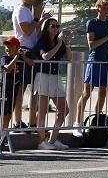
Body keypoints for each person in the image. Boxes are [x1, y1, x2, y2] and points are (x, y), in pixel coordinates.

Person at [75, 0, 108, 130]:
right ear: (97, 8)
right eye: (103, 7)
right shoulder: (91, 23)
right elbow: (92, 45)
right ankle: (78, 122)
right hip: (94, 60)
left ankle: (97, 120)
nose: (105, 10)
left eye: (107, 8)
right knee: (86, 93)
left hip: (106, 61)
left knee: (103, 93)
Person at [29, 18, 71, 149]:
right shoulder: (43, 41)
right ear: (47, 28)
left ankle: (52, 139)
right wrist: (58, 45)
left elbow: (69, 58)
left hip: (55, 76)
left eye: (57, 26)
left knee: (64, 109)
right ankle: (42, 141)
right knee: (42, 111)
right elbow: (45, 57)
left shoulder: (59, 42)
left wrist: (67, 44)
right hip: (43, 76)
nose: (55, 28)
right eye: (52, 26)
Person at [11, 0, 43, 128]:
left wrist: (42, 19)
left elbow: (34, 31)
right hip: (24, 50)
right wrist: (37, 16)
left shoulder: (28, 11)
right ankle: (17, 121)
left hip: (32, 50)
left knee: (33, 87)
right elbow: (27, 31)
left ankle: (32, 121)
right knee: (21, 88)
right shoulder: (21, 10)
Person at [0, 37, 27, 149]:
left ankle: (4, 135)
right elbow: (8, 69)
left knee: (9, 114)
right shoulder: (4, 58)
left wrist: (23, 56)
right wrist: (16, 58)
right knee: (2, 113)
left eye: (10, 46)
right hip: (5, 89)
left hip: (14, 89)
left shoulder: (20, 58)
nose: (8, 48)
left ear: (17, 47)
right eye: (6, 46)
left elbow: (32, 63)